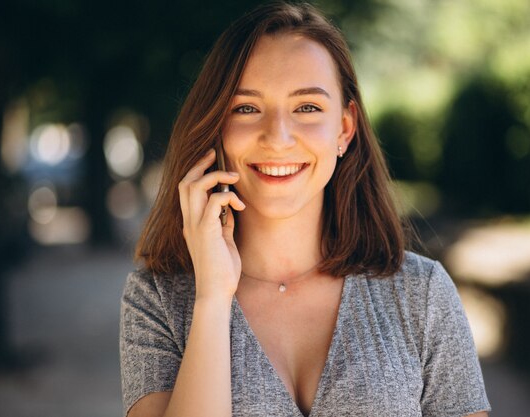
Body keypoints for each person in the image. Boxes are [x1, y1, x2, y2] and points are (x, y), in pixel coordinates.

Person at [120, 2, 491, 416]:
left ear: (344, 128)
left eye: (307, 108)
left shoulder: (422, 294)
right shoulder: (156, 299)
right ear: (217, 128)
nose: (277, 137)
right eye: (246, 108)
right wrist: (211, 297)